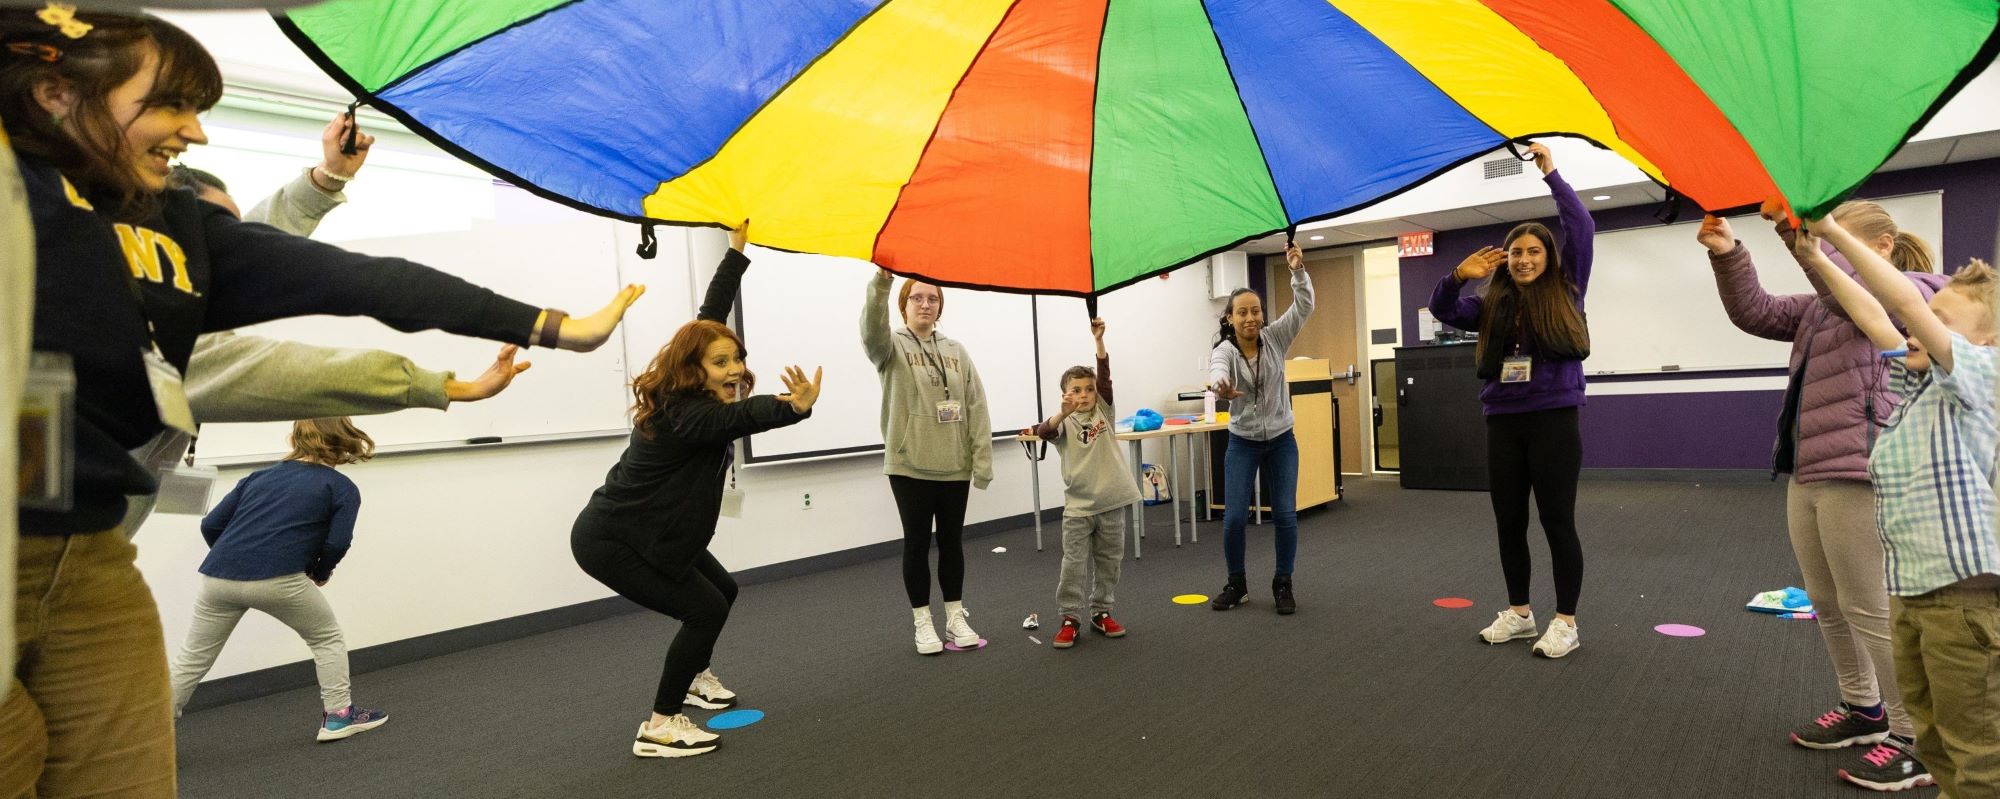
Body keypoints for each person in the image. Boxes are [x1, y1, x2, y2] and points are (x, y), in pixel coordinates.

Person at [1, 10, 640, 794]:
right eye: (171, 103)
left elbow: (341, 276)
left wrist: (545, 325)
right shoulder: (28, 198)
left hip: (92, 552)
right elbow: (295, 361)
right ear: (55, 93)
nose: (195, 132)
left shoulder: (163, 223)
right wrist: (447, 385)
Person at [1698, 201, 1942, 786]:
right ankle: (1865, 711)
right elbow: (1756, 311)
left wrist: (1796, 229)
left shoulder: (1914, 292)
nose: (1816, 246)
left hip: (1862, 467)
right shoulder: (1820, 311)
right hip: (1810, 466)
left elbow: (1852, 293)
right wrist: (1730, 254)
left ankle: (1922, 740)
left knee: (1870, 609)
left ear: (1878, 249)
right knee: (1826, 602)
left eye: (1828, 238)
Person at [572, 225, 821, 758]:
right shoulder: (689, 413)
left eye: (736, 359)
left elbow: (711, 316)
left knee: (722, 593)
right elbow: (748, 413)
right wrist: (793, 408)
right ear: (694, 370)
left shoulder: (689, 393)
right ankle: (660, 725)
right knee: (703, 609)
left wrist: (734, 255)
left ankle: (692, 674)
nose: (735, 370)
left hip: (658, 535)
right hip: (616, 540)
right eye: (721, 363)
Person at [1795, 214, 1988, 794]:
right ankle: (1905, 739)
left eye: (1934, 322)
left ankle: (1930, 756)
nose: (1914, 329)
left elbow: (1900, 300)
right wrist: (1817, 256)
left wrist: (1831, 228)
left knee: (1975, 740)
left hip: (1967, 596)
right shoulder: (1912, 382)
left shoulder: (1981, 375)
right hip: (1915, 586)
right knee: (1931, 712)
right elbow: (1874, 313)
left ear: (1987, 342)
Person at [1427, 142, 1593, 658]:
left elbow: (1582, 228)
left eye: (1533, 251)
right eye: (1516, 252)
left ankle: (1566, 621)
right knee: (1509, 521)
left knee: (1557, 520)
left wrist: (1553, 175)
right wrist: (1457, 275)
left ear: (1548, 258)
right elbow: (1443, 309)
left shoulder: (1567, 288)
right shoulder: (1491, 302)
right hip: (1503, 421)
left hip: (1554, 420)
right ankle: (1520, 613)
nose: (1523, 259)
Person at [167, 418, 388, 741]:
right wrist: (320, 572)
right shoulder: (340, 487)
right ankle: (339, 717)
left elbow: (211, 526)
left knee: (192, 658)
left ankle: (150, 734)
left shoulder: (258, 477)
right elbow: (337, 543)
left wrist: (239, 559)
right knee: (326, 638)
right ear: (343, 439)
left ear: (296, 437)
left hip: (218, 578)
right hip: (280, 579)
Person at [862, 268, 992, 654]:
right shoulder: (890, 346)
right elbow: (871, 330)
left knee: (952, 543)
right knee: (917, 543)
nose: (925, 304)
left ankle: (955, 616)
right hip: (909, 463)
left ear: (940, 307)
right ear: (903, 305)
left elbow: (976, 406)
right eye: (917, 297)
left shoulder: (956, 351)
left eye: (932, 298)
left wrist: (981, 459)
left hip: (954, 463)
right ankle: (923, 621)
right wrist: (882, 283)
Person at [1207, 241, 1312, 614]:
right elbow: (1218, 369)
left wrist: (1297, 272)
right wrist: (1220, 385)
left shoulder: (1276, 339)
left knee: (1284, 513)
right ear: (1231, 319)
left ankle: (1283, 581)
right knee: (1234, 517)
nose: (1251, 317)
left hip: (1282, 439)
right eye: (1242, 313)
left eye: (1256, 311)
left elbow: (1304, 307)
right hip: (1243, 442)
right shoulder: (1224, 349)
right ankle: (1237, 584)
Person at [1033, 317, 1141, 649]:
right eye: (1075, 390)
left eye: (1088, 389)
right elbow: (1043, 432)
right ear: (1065, 395)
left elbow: (1105, 378)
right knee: (1074, 565)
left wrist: (1099, 343)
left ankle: (1101, 611)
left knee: (1110, 562)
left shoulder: (1103, 414)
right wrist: (1063, 413)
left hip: (1111, 502)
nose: (1084, 395)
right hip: (1078, 509)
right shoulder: (1062, 424)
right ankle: (1070, 617)